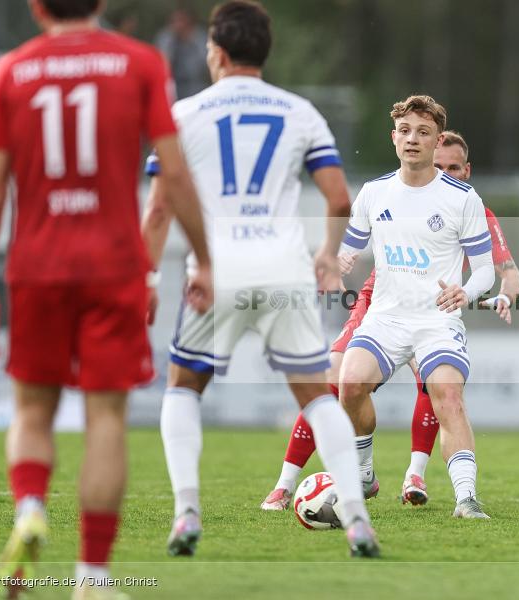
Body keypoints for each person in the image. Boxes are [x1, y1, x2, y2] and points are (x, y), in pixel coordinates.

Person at [0, 1, 213, 599]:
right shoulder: (140, 63)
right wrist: (206, 257)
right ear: (100, 3)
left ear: (36, 6)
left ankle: (28, 507)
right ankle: (91, 579)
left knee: (32, 412)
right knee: (105, 419)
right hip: (114, 266)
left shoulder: (12, 70)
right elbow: (173, 175)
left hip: (38, 265)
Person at [141, 0, 379, 558]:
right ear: (264, 54)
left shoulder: (184, 112)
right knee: (318, 397)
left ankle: (187, 514)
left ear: (217, 53)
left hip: (215, 268)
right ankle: (358, 520)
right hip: (283, 268)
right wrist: (326, 254)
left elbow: (157, 209)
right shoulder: (300, 112)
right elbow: (339, 196)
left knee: (183, 388)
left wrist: (148, 277)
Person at [261, 131, 519, 511]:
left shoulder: (473, 208)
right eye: (439, 165)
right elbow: (356, 245)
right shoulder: (391, 191)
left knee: (438, 388)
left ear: (467, 171)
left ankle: (417, 474)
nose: (445, 172)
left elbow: (507, 272)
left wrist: (504, 296)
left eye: (454, 167)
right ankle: (286, 483)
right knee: (336, 380)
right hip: (380, 302)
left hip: (436, 308)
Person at [339, 94, 494, 519]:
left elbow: (484, 271)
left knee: (448, 397)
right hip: (385, 319)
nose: (413, 139)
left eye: (423, 132)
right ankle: (365, 472)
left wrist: (467, 291)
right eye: (405, 131)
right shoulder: (372, 193)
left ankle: (466, 499)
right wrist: (338, 261)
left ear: (436, 139)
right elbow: (347, 248)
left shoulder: (463, 199)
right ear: (393, 138)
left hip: (436, 322)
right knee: (349, 386)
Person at [155, 6, 209, 100]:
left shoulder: (200, 36)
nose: (179, 24)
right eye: (175, 21)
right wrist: (173, 41)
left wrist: (190, 40)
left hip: (196, 84)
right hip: (173, 85)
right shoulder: (166, 37)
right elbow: (162, 64)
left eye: (182, 20)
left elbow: (205, 63)